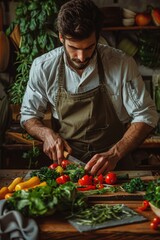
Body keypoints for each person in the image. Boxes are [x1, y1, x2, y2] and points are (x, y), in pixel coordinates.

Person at [20, 0, 159, 175]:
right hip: (67, 167)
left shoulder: (121, 64)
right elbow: (29, 116)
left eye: (89, 47)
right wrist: (46, 134)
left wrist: (115, 154)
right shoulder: (43, 67)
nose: (81, 56)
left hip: (115, 166)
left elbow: (147, 115)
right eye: (73, 48)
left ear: (98, 37)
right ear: (61, 37)